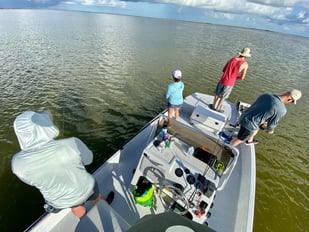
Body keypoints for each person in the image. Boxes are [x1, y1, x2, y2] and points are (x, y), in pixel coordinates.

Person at [11, 111, 114, 218]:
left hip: (60, 201)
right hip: (86, 188)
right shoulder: (72, 142)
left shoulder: (16, 163)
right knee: (97, 198)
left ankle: (85, 219)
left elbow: (31, 182)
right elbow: (89, 160)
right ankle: (106, 211)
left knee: (76, 207)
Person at [230, 89, 302, 147]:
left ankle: (250, 140)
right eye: (292, 102)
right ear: (290, 99)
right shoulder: (282, 110)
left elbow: (257, 106)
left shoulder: (267, 95)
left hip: (244, 115)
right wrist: (270, 131)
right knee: (239, 139)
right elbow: (271, 125)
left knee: (260, 123)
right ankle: (227, 148)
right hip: (248, 124)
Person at [212, 48, 251, 112]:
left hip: (222, 79)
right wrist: (234, 77)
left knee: (217, 94)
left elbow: (224, 70)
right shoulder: (245, 64)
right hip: (230, 82)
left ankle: (213, 106)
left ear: (241, 53)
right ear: (246, 56)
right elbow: (242, 77)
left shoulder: (232, 59)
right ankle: (218, 108)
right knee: (223, 97)